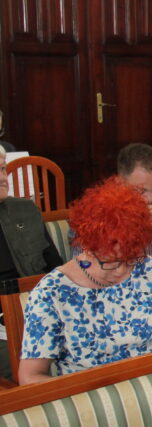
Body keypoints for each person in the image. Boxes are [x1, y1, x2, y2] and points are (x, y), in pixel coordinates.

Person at [19, 177, 152, 384]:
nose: (122, 270)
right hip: (90, 395)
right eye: (111, 261)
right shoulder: (52, 293)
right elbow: (29, 376)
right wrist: (96, 394)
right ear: (87, 247)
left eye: (131, 259)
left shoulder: (147, 269)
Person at [0, 149, 63, 380]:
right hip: (4, 326)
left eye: (3, 169)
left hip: (38, 309)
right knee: (17, 363)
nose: (3, 178)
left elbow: (56, 271)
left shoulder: (24, 210)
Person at [70, 144, 152, 257]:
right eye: (141, 191)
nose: (149, 199)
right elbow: (83, 266)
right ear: (119, 183)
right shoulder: (96, 215)